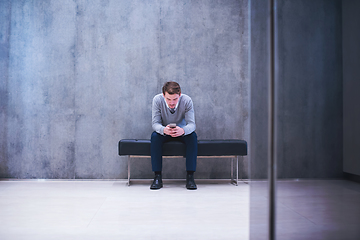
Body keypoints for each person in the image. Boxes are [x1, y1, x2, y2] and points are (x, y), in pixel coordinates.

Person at [150, 81, 198, 190]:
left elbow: (192, 124)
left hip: (181, 131)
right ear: (164, 95)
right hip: (165, 131)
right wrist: (164, 130)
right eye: (168, 99)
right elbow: (155, 123)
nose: (172, 103)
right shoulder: (157, 100)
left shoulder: (187, 100)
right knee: (155, 137)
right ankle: (157, 177)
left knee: (192, 137)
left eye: (175, 99)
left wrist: (183, 130)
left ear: (179, 95)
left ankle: (190, 177)